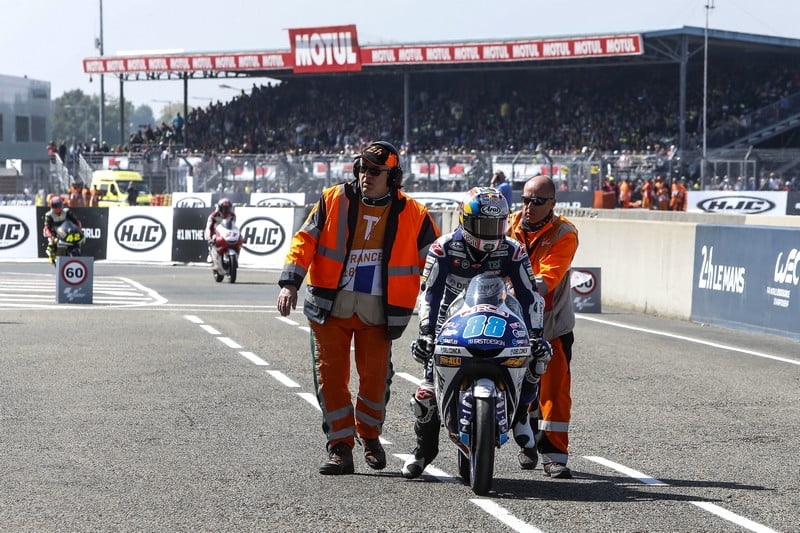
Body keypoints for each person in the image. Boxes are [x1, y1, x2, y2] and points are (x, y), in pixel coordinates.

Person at [276, 141, 439, 475]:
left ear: (393, 177)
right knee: (331, 378)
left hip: (379, 312)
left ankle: (369, 436)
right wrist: (290, 282)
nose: (366, 176)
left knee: (376, 381)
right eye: (362, 169)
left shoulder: (415, 214)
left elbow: (436, 259)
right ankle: (340, 447)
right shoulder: (333, 199)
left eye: (375, 171)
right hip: (330, 308)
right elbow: (304, 240)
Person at [400, 186, 552, 479]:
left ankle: (520, 415)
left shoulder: (513, 249)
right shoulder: (443, 248)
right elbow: (429, 293)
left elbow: (530, 295)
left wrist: (535, 334)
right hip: (451, 319)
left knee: (538, 357)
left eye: (497, 225)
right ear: (466, 222)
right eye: (484, 225)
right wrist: (426, 333)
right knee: (425, 394)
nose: (491, 233)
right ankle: (424, 449)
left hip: (501, 314)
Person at [508, 174, 579, 479]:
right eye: (525, 200)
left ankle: (554, 457)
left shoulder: (565, 233)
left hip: (551, 327)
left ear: (552, 203)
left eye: (538, 202)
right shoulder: (507, 224)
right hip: (510, 325)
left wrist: (513, 287)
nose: (529, 207)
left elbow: (547, 279)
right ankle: (527, 444)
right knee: (521, 389)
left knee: (554, 394)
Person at [43, 196, 82, 264]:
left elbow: (76, 221)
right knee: (52, 243)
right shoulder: (49, 215)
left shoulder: (66, 211)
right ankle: (52, 255)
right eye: (55, 205)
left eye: (59, 205)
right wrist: (51, 236)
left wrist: (79, 228)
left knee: (78, 239)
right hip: (55, 232)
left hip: (66, 230)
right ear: (52, 206)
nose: (58, 207)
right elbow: (47, 227)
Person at [205, 198, 236, 263]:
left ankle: (232, 254)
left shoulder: (232, 215)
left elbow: (233, 226)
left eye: (227, 208)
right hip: (215, 232)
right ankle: (210, 253)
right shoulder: (213, 216)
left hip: (227, 231)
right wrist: (209, 238)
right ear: (220, 208)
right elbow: (209, 227)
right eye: (224, 208)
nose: (226, 210)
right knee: (212, 238)